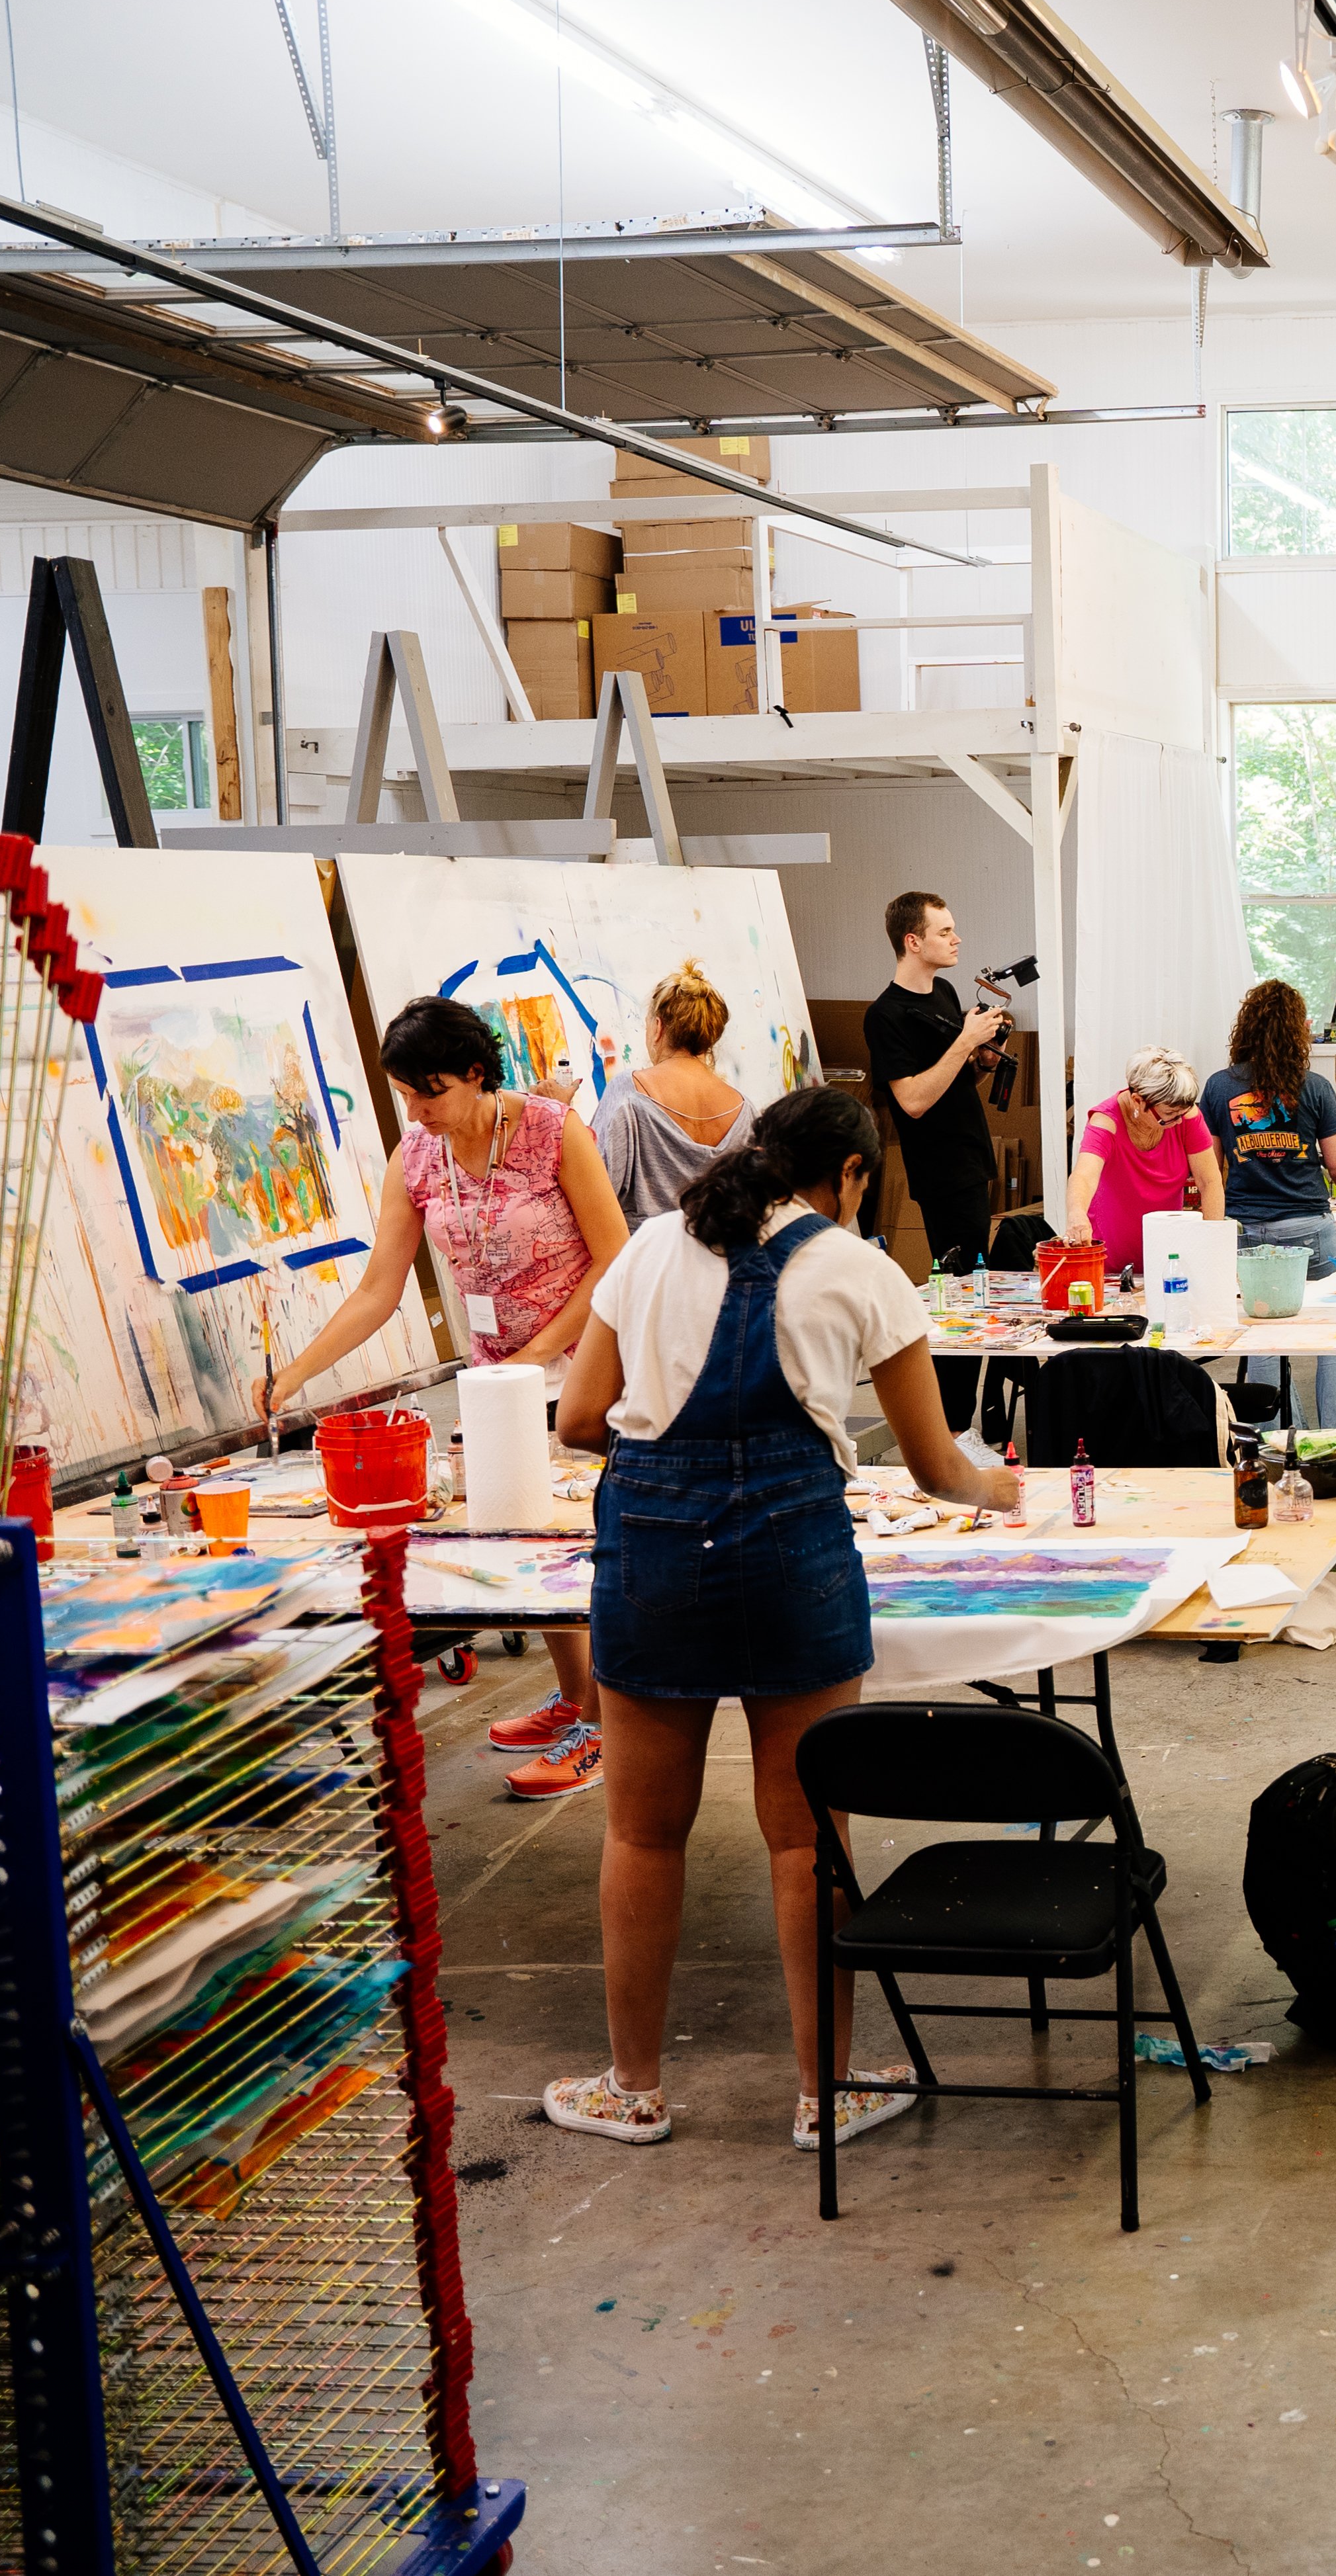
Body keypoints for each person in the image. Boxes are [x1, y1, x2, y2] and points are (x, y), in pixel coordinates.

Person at [539, 1088, 1024, 2155]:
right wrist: (1010, 1491)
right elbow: (941, 1468)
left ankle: (633, 2088)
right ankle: (825, 2093)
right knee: (806, 1835)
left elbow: (577, 1419)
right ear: (850, 1176)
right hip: (790, 1558)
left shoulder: (653, 1246)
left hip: (655, 1557)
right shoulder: (862, 1271)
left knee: (638, 1829)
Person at [273, 997, 629, 1799]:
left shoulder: (550, 1130)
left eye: (426, 1090)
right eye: (404, 1094)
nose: (416, 1110)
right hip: (495, 1376)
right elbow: (377, 1289)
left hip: (586, 1364)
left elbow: (616, 1256)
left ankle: (605, 1730)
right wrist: (296, 1377)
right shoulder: (419, 1158)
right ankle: (574, 1699)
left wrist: (539, 1355)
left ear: (476, 1072)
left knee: (583, 1547)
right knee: (516, 1532)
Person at [1206, 982, 1336, 1434]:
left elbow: (1209, 1169)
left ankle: (1275, 1443)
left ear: (1247, 1027)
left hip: (1245, 1230)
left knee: (1263, 1338)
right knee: (1334, 1335)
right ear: (1298, 1030)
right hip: (1309, 1230)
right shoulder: (1313, 1087)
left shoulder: (1219, 1087)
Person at [861, 891, 1009, 1267]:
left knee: (980, 1274)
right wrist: (965, 1041)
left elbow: (956, 1081)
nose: (956, 940)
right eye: (944, 933)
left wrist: (986, 1059)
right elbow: (912, 1101)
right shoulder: (885, 1015)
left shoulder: (943, 991)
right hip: (941, 1171)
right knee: (963, 1282)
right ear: (913, 942)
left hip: (973, 1157)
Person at [593, 962, 750, 1225]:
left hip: (646, 1261)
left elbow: (594, 1191)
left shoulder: (630, 1093)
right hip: (721, 1262)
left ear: (658, 1027)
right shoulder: (744, 1109)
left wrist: (558, 1119)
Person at [1062, 1047, 1219, 1270]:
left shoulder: (1186, 1117)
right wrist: (1076, 1215)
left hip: (1168, 1257)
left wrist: (1211, 1243)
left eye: (1182, 1114)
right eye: (1169, 1117)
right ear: (1138, 1101)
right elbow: (1084, 1176)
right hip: (1110, 1260)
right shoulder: (1106, 1122)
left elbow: (1210, 1182)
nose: (1178, 1122)